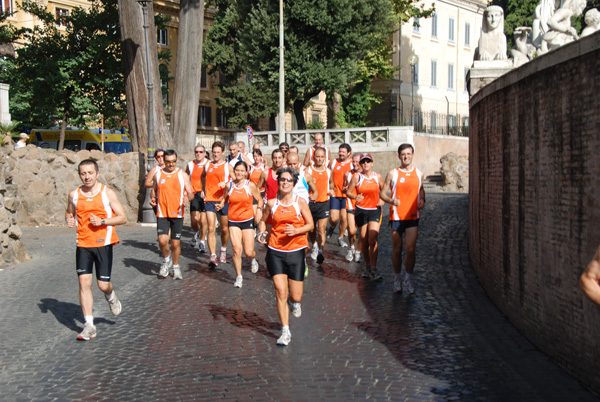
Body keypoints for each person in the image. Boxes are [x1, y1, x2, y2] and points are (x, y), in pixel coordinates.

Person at [66, 159, 127, 340]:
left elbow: (123, 218)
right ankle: (89, 325)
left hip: (103, 243)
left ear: (97, 174)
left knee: (102, 285)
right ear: (80, 175)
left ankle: (111, 295)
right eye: (83, 173)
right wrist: (69, 219)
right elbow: (69, 212)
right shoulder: (74, 195)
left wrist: (102, 221)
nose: (87, 177)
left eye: (90, 173)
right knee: (84, 283)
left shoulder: (107, 193)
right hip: (83, 244)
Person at [257, 167, 314, 346]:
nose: (285, 183)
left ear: (294, 183)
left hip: (296, 251)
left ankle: (295, 303)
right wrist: (262, 233)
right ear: (278, 181)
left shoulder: (300, 203)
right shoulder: (272, 203)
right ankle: (285, 331)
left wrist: (296, 230)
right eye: (282, 179)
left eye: (289, 180)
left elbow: (311, 225)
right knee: (281, 292)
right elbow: (262, 221)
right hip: (275, 251)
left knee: (295, 296)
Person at [379, 144, 425, 294]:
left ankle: (408, 278)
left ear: (413, 155)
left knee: (411, 250)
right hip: (397, 217)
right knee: (397, 250)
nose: (406, 156)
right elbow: (382, 194)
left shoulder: (419, 173)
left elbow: (421, 189)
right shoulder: (393, 173)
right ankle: (397, 278)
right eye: (403, 154)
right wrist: (392, 201)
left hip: (412, 216)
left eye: (409, 154)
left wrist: (422, 200)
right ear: (399, 156)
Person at [148, 150, 194, 279]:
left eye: (173, 161)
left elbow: (191, 192)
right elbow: (153, 190)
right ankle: (166, 259)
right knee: (163, 241)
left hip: (177, 213)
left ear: (176, 160)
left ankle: (176, 266)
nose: (171, 164)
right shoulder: (158, 174)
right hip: (162, 212)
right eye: (168, 162)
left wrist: (188, 199)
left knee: (175, 244)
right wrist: (153, 198)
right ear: (165, 161)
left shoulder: (182, 175)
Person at [219, 161, 263, 287]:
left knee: (248, 252)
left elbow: (259, 199)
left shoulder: (250, 186)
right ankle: (239, 277)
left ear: (246, 172)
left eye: (242, 171)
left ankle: (253, 259)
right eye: (237, 170)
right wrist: (221, 205)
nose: (239, 173)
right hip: (233, 221)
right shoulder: (229, 185)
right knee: (237, 251)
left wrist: (259, 210)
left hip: (247, 220)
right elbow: (225, 199)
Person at [345, 153, 384, 280]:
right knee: (364, 239)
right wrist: (355, 197)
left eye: (368, 161)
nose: (366, 164)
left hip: (375, 211)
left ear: (372, 163)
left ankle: (374, 267)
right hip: (361, 211)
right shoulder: (357, 177)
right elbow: (348, 192)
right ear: (361, 164)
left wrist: (382, 200)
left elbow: (383, 192)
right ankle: (367, 267)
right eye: (364, 162)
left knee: (373, 238)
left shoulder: (378, 177)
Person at [201, 141, 235, 268]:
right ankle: (213, 256)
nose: (215, 155)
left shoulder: (228, 167)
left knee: (224, 228)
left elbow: (236, 181)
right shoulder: (207, 165)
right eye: (214, 152)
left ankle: (224, 249)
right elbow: (202, 176)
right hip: (209, 199)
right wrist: (203, 189)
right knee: (211, 228)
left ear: (223, 153)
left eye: (218, 152)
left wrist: (226, 184)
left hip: (224, 200)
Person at [307, 147, 334, 265]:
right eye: (317, 156)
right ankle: (314, 245)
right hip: (311, 203)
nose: (319, 159)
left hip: (324, 203)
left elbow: (331, 183)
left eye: (322, 157)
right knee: (312, 229)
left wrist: (332, 190)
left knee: (321, 229)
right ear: (313, 157)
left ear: (325, 158)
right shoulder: (308, 170)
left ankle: (320, 250)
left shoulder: (328, 171)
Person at [326, 143, 353, 247]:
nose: (341, 154)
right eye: (340, 151)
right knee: (333, 218)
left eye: (343, 152)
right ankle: (332, 227)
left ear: (349, 153)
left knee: (344, 218)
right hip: (335, 194)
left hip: (346, 196)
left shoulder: (352, 164)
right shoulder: (333, 162)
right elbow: (327, 173)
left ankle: (340, 237)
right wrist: (329, 187)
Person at [186, 145, 209, 253]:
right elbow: (185, 178)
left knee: (203, 221)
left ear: (205, 153)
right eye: (196, 152)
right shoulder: (190, 164)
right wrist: (186, 193)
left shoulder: (209, 164)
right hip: (194, 194)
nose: (198, 154)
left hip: (206, 194)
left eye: (200, 152)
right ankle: (196, 233)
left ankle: (202, 242)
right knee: (195, 220)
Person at [344, 153, 362, 262]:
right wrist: (345, 189)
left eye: (357, 162)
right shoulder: (347, 174)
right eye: (353, 162)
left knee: (362, 233)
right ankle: (351, 247)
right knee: (351, 230)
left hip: (362, 207)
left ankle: (358, 250)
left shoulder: (365, 175)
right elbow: (344, 187)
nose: (355, 164)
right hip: (350, 204)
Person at [145, 148, 166, 215]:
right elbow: (146, 184)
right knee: (161, 219)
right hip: (158, 197)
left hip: (169, 197)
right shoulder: (154, 169)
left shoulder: (171, 168)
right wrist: (156, 184)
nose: (160, 158)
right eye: (158, 157)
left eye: (162, 156)